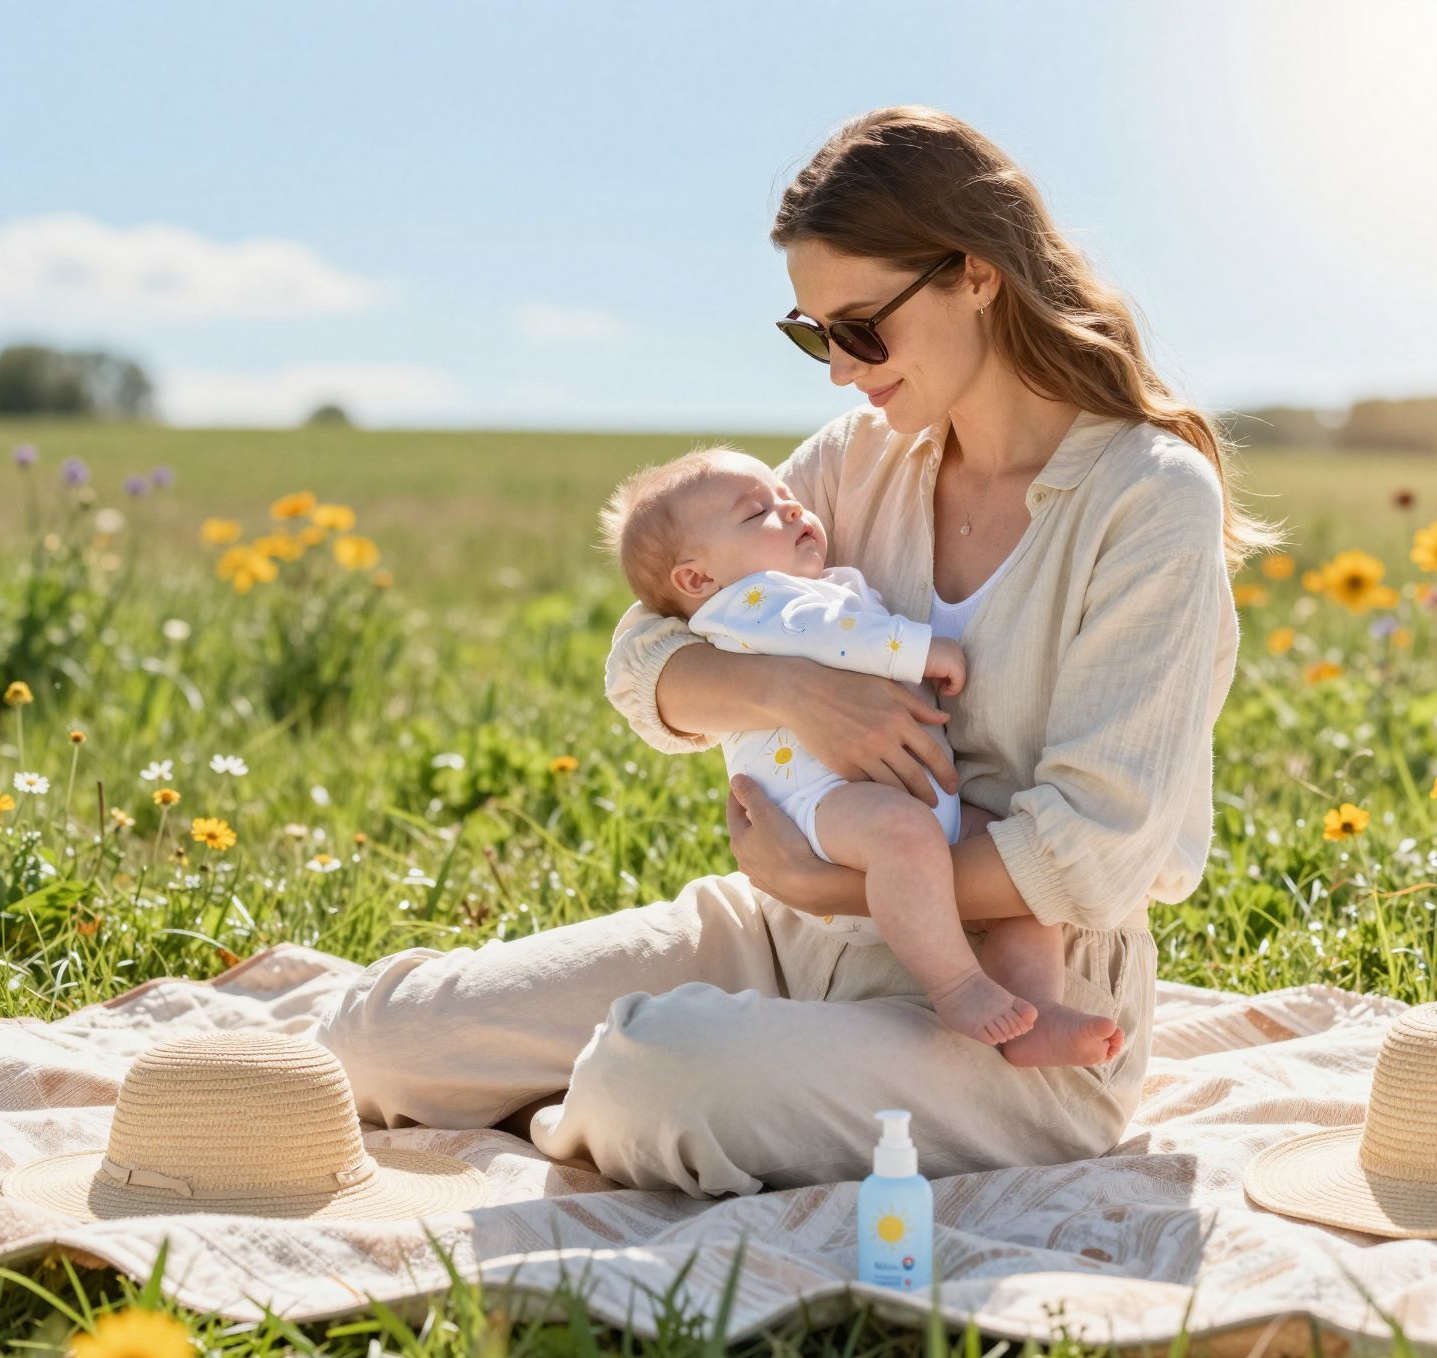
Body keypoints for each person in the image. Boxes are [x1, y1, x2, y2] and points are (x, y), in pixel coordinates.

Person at [314, 105, 1277, 1198]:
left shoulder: (1147, 497)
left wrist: (836, 888)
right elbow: (646, 653)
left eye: (861, 327)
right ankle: (688, 1092)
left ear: (974, 275)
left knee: (654, 1073)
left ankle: (644, 1096)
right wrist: (786, 690)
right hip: (775, 937)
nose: (838, 369)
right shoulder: (858, 456)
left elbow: (1094, 847)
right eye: (813, 333)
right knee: (378, 1041)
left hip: (1009, 1002)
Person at [594, 442, 1123, 1066]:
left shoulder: (800, 581)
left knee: (1020, 876)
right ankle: (957, 985)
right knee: (903, 835)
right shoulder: (751, 604)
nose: (792, 508)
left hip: (905, 821)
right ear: (697, 579)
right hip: (819, 807)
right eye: (758, 511)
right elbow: (838, 638)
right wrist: (921, 650)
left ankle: (1036, 1010)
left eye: (787, 498)